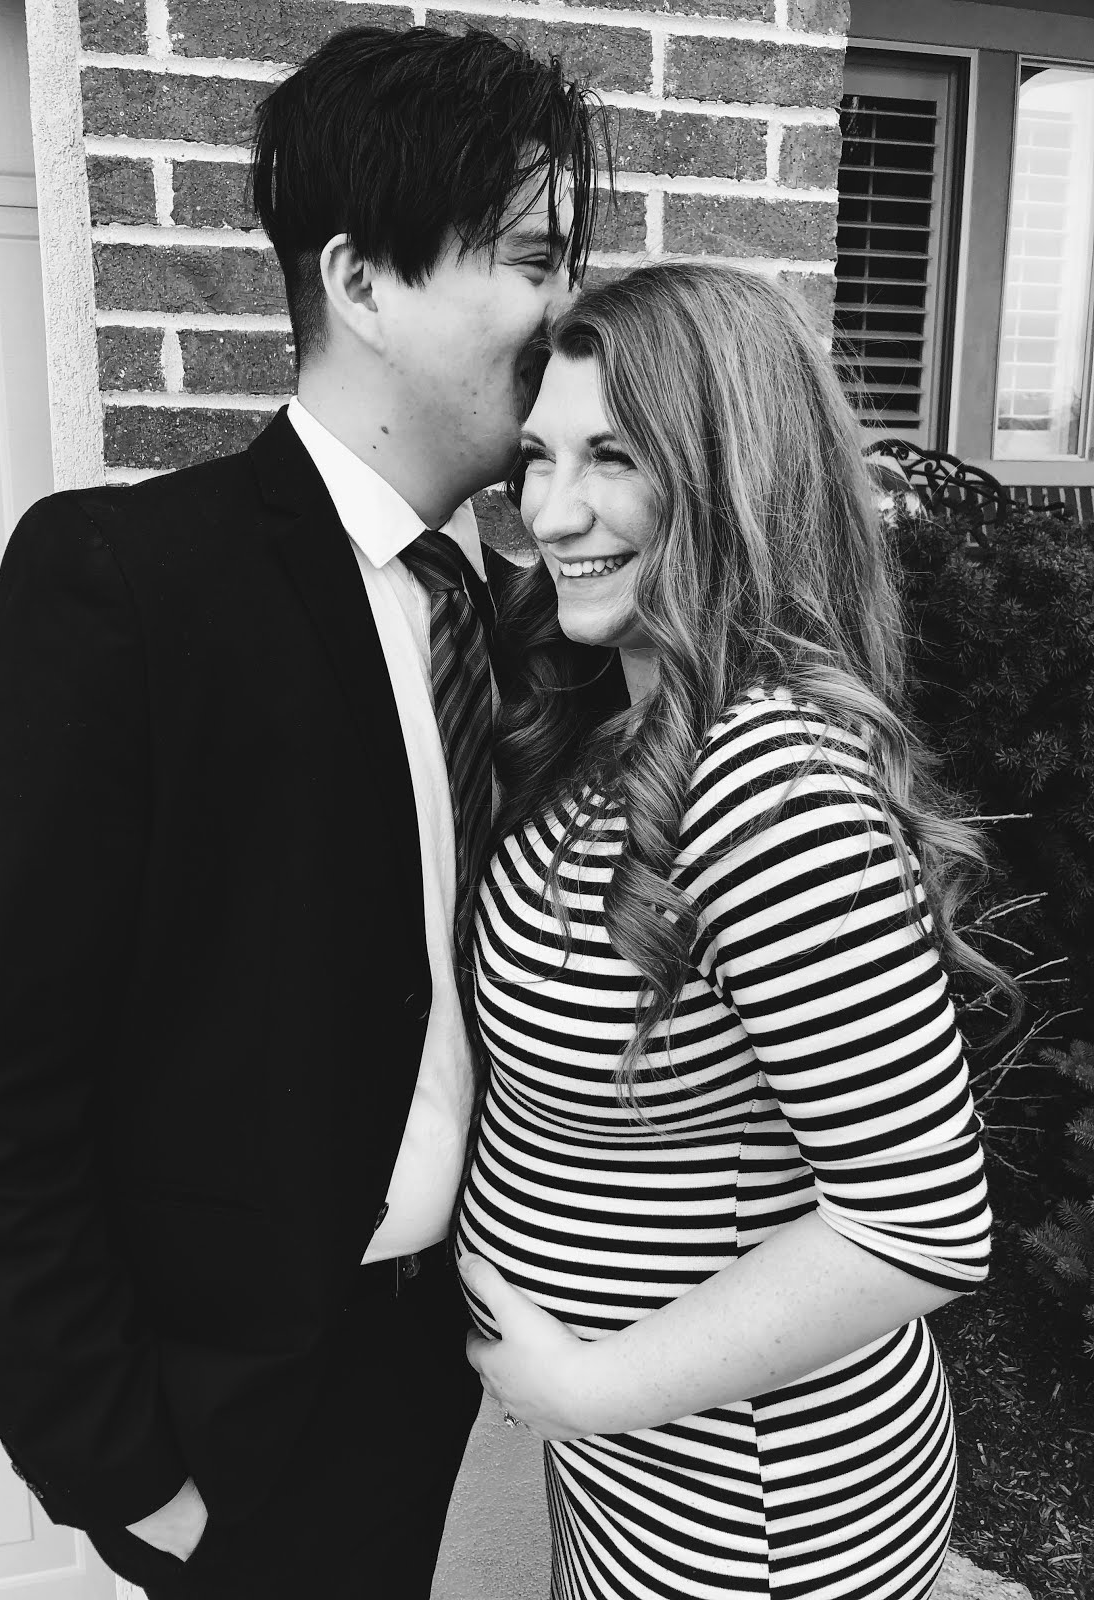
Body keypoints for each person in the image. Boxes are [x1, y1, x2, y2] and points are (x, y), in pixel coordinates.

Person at [0, 26, 607, 1600]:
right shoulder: (130, 589)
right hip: (236, 1420)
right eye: (533, 256)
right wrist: (122, 1465)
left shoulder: (525, 621)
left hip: (452, 1367)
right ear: (360, 281)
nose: (572, 308)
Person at [454, 261, 1003, 1600]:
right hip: (649, 1465)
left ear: (730, 474)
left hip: (761, 1506)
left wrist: (589, 1388)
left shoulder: (768, 779)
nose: (551, 511)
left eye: (613, 458)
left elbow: (920, 1222)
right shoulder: (616, 719)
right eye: (536, 458)